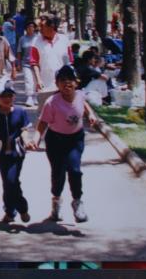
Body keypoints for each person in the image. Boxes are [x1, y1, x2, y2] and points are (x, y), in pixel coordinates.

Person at [35, 65, 98, 223]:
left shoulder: (80, 95)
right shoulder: (52, 102)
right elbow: (42, 123)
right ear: (57, 84)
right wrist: (36, 139)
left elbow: (84, 104)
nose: (66, 83)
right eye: (62, 80)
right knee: (58, 173)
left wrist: (90, 114)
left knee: (75, 170)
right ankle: (56, 203)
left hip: (75, 139)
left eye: (70, 80)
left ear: (76, 82)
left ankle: (77, 202)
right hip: (56, 140)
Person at [0, 79, 33, 223]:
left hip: (18, 152)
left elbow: (24, 131)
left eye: (10, 96)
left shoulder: (20, 112)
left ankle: (16, 210)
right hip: (0, 153)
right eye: (4, 96)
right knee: (8, 181)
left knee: (12, 180)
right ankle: (13, 210)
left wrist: (27, 141)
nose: (8, 99)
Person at [30, 14, 73, 111]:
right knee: (45, 113)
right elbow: (34, 63)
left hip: (63, 85)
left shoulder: (64, 40)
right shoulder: (36, 41)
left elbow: (69, 62)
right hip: (45, 85)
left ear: (52, 26)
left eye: (42, 26)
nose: (39, 29)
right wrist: (38, 80)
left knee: (63, 113)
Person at [17, 21, 38, 107]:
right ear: (26, 28)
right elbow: (19, 52)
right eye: (29, 27)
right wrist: (18, 63)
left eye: (32, 27)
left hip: (36, 64)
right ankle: (29, 97)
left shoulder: (38, 38)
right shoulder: (22, 39)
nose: (31, 28)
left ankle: (35, 96)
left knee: (36, 81)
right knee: (28, 80)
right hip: (26, 63)